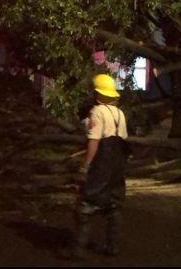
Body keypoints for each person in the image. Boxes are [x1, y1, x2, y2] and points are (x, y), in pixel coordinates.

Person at [73, 73, 129, 259]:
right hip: (118, 165)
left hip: (102, 165)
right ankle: (112, 247)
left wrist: (85, 165)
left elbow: (94, 142)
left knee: (85, 204)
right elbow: (124, 143)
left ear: (97, 94)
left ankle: (79, 250)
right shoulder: (120, 114)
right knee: (115, 206)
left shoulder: (97, 112)